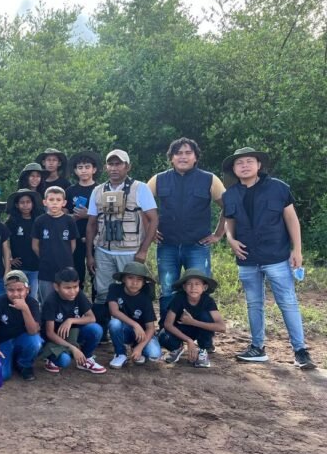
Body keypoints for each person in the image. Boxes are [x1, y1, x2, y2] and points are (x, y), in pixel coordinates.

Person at [222, 147, 316, 369]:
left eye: (249, 161)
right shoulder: (230, 194)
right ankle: (257, 347)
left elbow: (292, 220)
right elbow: (229, 222)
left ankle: (300, 351)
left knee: (288, 302)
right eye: (239, 163)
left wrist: (297, 250)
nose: (244, 166)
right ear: (234, 169)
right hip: (247, 258)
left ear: (259, 165)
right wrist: (230, 239)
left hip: (276, 256)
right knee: (254, 304)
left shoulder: (278, 188)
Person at [147, 138, 226, 320]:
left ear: (195, 157)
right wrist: (149, 231)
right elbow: (140, 206)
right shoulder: (158, 180)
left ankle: (203, 336)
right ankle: (168, 334)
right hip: (167, 245)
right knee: (168, 290)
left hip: (197, 246)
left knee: (199, 292)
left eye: (188, 153)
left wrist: (218, 234)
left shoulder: (209, 179)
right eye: (178, 153)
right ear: (171, 158)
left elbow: (228, 207)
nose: (183, 157)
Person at [86, 149, 158, 335]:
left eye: (119, 164)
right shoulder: (98, 190)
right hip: (103, 251)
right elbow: (92, 223)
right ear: (105, 167)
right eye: (111, 164)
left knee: (132, 292)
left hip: (130, 251)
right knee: (102, 292)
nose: (114, 168)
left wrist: (143, 250)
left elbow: (153, 219)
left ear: (128, 166)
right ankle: (102, 333)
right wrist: (90, 255)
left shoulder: (140, 188)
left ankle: (136, 332)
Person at [39, 267, 106, 374]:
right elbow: (50, 333)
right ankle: (51, 358)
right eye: (67, 288)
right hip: (54, 339)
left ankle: (85, 359)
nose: (72, 292)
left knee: (96, 329)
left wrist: (71, 320)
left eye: (75, 287)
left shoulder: (78, 295)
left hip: (73, 334)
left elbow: (91, 318)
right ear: (56, 287)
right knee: (65, 361)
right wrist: (72, 348)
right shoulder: (50, 301)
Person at [158, 268, 226, 368]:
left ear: (205, 287)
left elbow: (222, 327)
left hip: (200, 330)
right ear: (184, 287)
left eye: (197, 284)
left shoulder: (208, 301)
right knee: (163, 336)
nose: (193, 287)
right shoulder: (178, 298)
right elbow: (168, 324)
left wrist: (192, 322)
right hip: (182, 330)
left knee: (206, 316)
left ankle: (203, 350)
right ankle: (176, 348)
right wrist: (189, 341)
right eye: (189, 284)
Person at [0, 270, 43, 382]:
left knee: (35, 342)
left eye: (20, 290)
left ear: (27, 290)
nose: (16, 294)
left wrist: (25, 309)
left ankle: (24, 364)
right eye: (11, 290)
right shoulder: (0, 302)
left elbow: (33, 331)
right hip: (3, 341)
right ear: (5, 290)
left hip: (23, 340)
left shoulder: (32, 303)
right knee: (2, 375)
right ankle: (10, 360)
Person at [106, 262, 161, 369]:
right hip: (125, 329)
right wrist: (135, 325)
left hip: (142, 334)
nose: (135, 282)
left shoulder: (145, 299)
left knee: (154, 354)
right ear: (123, 279)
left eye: (139, 279)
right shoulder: (114, 289)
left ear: (144, 282)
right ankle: (120, 353)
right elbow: (114, 311)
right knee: (114, 323)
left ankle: (137, 349)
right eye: (130, 278)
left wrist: (139, 348)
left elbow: (150, 328)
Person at [31, 186, 78, 304]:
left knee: (67, 300)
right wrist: (45, 257)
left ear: (64, 203)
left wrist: (63, 257)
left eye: (58, 200)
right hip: (46, 269)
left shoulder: (69, 221)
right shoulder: (40, 221)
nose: (54, 203)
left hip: (66, 267)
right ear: (45, 202)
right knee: (47, 302)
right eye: (51, 200)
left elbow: (72, 245)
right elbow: (35, 245)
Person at [66, 151, 101, 299]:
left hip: (98, 239)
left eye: (87, 167)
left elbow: (108, 214)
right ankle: (76, 307)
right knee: (76, 275)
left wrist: (88, 215)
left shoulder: (101, 189)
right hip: (75, 239)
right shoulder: (70, 191)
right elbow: (61, 214)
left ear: (94, 169)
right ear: (75, 171)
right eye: (80, 167)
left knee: (97, 276)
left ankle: (99, 310)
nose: (84, 170)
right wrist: (74, 217)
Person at [5, 189, 43, 300]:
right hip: (19, 266)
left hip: (36, 265)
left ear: (33, 204)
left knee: (33, 295)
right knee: (18, 295)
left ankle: (33, 316)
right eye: (22, 202)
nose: (25, 205)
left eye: (28, 202)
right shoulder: (12, 222)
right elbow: (4, 242)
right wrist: (9, 260)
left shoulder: (39, 220)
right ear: (17, 205)